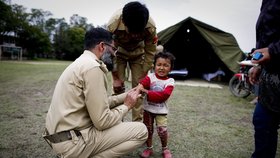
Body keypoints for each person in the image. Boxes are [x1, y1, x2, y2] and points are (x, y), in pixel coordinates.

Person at [43, 27, 148, 158]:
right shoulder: (93, 68)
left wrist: (127, 95)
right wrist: (126, 106)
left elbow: (99, 103)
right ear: (102, 46)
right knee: (141, 131)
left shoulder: (80, 63)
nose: (115, 54)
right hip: (73, 144)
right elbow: (102, 122)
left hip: (60, 139)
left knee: (118, 124)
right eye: (113, 49)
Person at [107, 1, 158, 121]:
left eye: (139, 33)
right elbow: (108, 53)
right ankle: (117, 122)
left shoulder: (150, 26)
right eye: (132, 32)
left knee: (139, 89)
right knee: (118, 89)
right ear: (124, 22)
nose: (135, 36)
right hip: (118, 54)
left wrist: (144, 74)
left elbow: (150, 51)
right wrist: (115, 78)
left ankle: (137, 124)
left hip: (138, 55)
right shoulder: (113, 24)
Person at [249, 0, 280, 157]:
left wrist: (273, 51)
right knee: (262, 121)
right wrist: (259, 65)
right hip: (271, 77)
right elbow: (266, 30)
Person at [139, 52, 176, 158]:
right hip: (148, 110)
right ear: (154, 66)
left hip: (161, 111)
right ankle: (149, 148)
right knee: (148, 130)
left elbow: (163, 96)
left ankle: (165, 148)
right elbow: (141, 85)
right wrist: (139, 87)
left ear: (170, 68)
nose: (161, 68)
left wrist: (146, 91)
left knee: (162, 131)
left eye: (166, 65)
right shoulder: (150, 77)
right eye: (159, 64)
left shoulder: (170, 81)